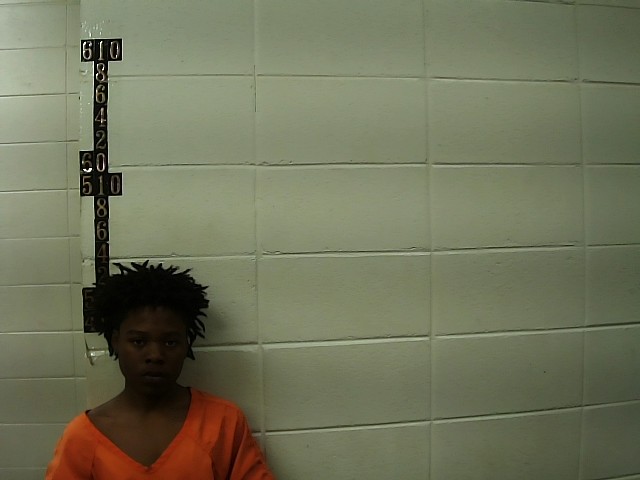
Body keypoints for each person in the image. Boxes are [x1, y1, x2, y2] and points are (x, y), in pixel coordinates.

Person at [46, 261, 275, 479]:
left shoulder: (222, 422)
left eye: (170, 342)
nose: (155, 355)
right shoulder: (83, 437)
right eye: (138, 341)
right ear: (116, 341)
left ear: (186, 344)